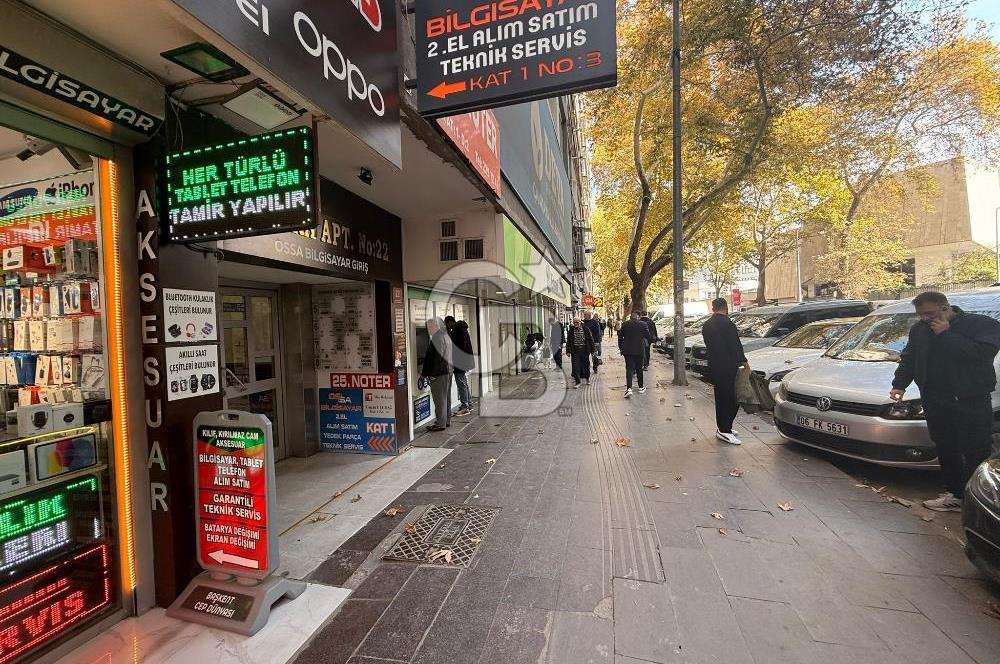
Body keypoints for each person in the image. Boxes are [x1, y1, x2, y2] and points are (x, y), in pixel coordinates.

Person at [890, 291, 1000, 511]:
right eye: (920, 314)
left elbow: (981, 354)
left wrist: (947, 335)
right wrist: (899, 384)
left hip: (970, 400)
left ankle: (977, 499)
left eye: (929, 313)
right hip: (935, 399)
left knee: (975, 450)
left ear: (946, 308)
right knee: (946, 447)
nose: (925, 318)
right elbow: (910, 358)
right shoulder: (919, 330)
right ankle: (956, 495)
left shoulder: (980, 324)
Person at [701, 298, 747, 445]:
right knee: (733, 398)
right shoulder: (728, 324)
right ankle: (724, 429)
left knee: (721, 397)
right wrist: (745, 363)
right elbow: (735, 345)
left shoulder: (707, 324)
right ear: (726, 308)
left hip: (714, 365)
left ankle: (724, 427)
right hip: (728, 366)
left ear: (713, 308)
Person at [421, 317, 453, 431]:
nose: (428, 329)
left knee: (440, 399)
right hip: (448, 370)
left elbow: (437, 358)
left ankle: (440, 424)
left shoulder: (437, 337)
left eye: (429, 327)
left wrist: (432, 374)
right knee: (446, 398)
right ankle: (446, 420)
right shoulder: (445, 336)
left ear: (435, 326)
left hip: (439, 373)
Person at [445, 315, 475, 416]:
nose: (448, 327)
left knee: (461, 383)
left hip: (460, 361)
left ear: (450, 322)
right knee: (464, 383)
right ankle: (469, 404)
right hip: (464, 360)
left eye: (447, 325)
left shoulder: (457, 330)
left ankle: (464, 406)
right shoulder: (462, 328)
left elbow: (460, 345)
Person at [619, 312, 651, 398]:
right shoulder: (643, 324)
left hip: (628, 350)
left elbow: (620, 337)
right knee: (639, 368)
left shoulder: (625, 324)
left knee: (629, 369)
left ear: (630, 317)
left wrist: (621, 349)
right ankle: (641, 387)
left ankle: (629, 388)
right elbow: (648, 336)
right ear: (638, 317)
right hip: (639, 350)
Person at [567, 317, 596, 388]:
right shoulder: (571, 330)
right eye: (574, 322)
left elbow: (591, 340)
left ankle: (587, 379)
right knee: (575, 366)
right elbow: (568, 341)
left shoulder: (586, 329)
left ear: (580, 322)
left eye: (577, 322)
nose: (576, 324)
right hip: (575, 351)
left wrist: (593, 350)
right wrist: (568, 351)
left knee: (586, 365)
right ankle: (578, 382)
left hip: (584, 350)